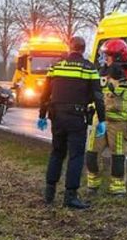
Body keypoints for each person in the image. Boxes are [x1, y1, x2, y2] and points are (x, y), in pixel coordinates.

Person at [37, 36, 105, 209]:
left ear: (70, 47)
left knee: (57, 153)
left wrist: (42, 115)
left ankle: (49, 192)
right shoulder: (89, 68)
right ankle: (70, 196)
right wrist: (102, 119)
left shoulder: (56, 66)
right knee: (76, 156)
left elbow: (45, 94)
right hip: (77, 117)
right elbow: (98, 96)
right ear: (83, 49)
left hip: (57, 116)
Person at [86, 38, 127, 196]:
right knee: (91, 154)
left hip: (119, 123)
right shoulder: (101, 72)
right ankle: (93, 185)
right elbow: (96, 94)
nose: (104, 59)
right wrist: (90, 109)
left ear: (117, 56)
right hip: (100, 121)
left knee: (118, 157)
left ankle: (117, 188)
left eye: (107, 55)